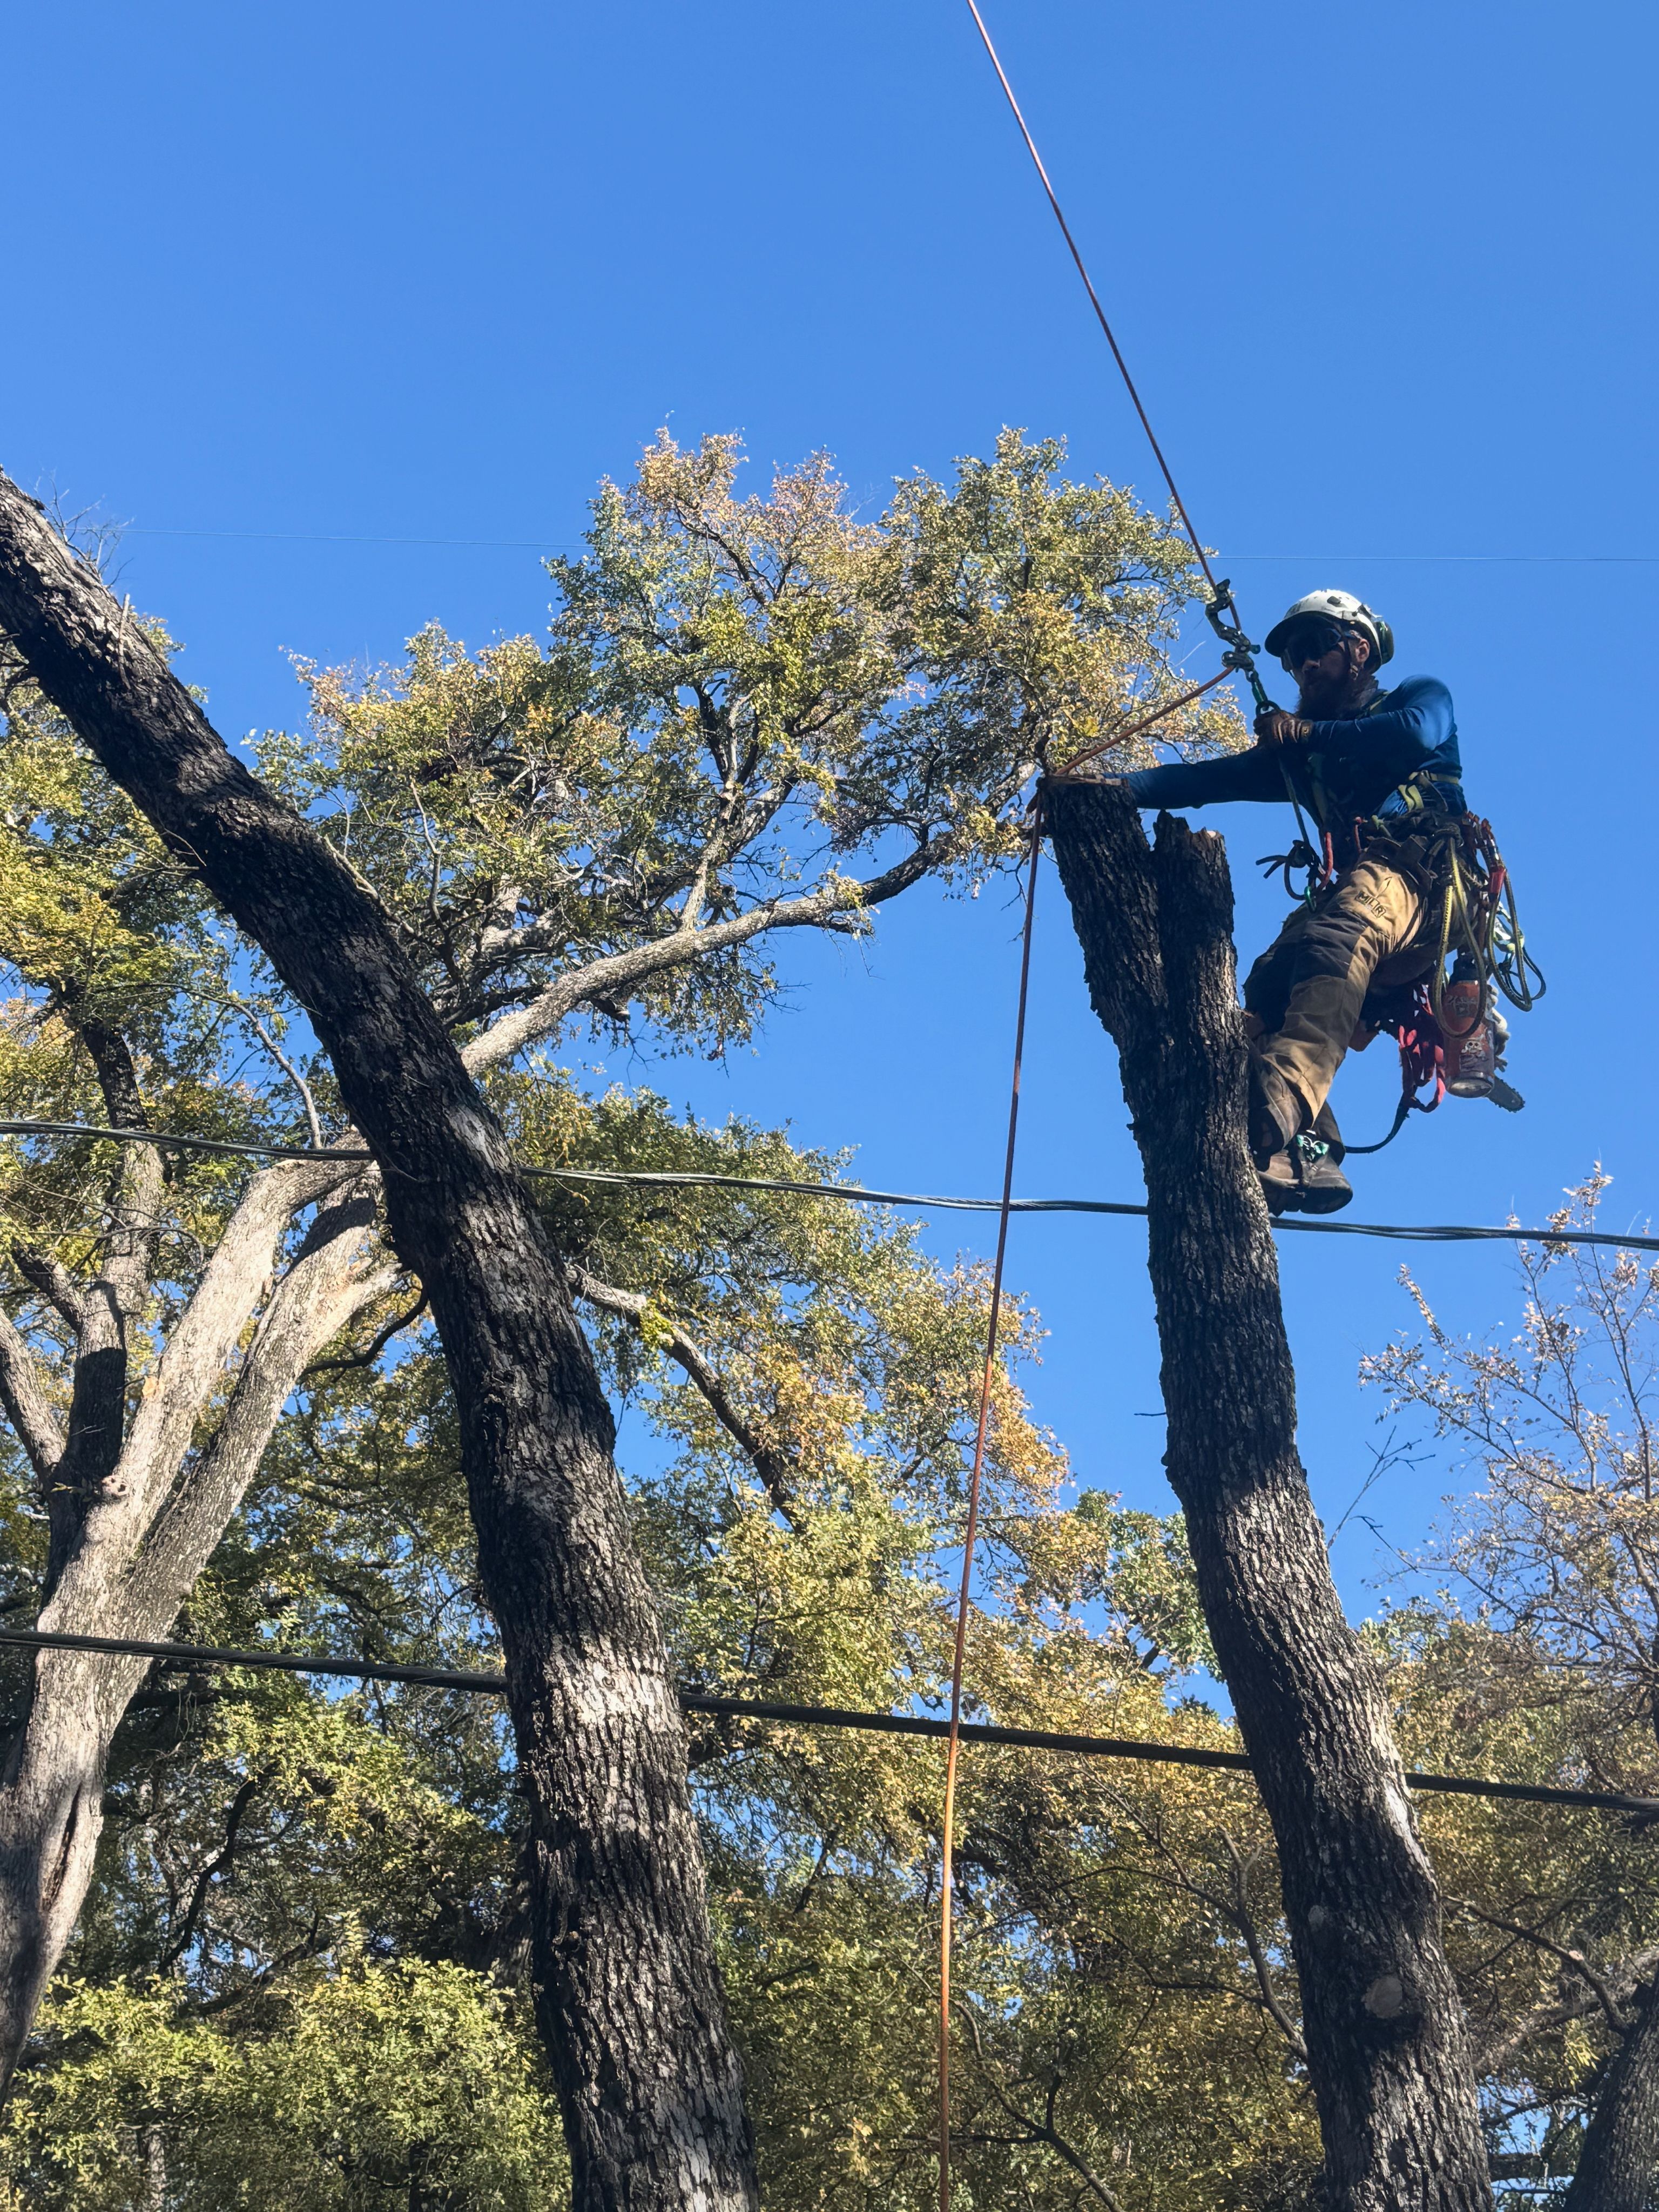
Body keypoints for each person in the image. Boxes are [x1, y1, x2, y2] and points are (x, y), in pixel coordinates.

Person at [1110, 591, 1464, 1214]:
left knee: (1338, 938)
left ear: (1358, 649)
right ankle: (1309, 1154)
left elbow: (1415, 734)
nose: (1303, 665)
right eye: (1293, 657)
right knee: (1268, 987)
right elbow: (1205, 779)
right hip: (1363, 891)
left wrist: (1307, 732)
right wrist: (1113, 789)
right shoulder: (1307, 761)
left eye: (1316, 647)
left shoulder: (1416, 697)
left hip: (1421, 881)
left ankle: (1277, 1098)